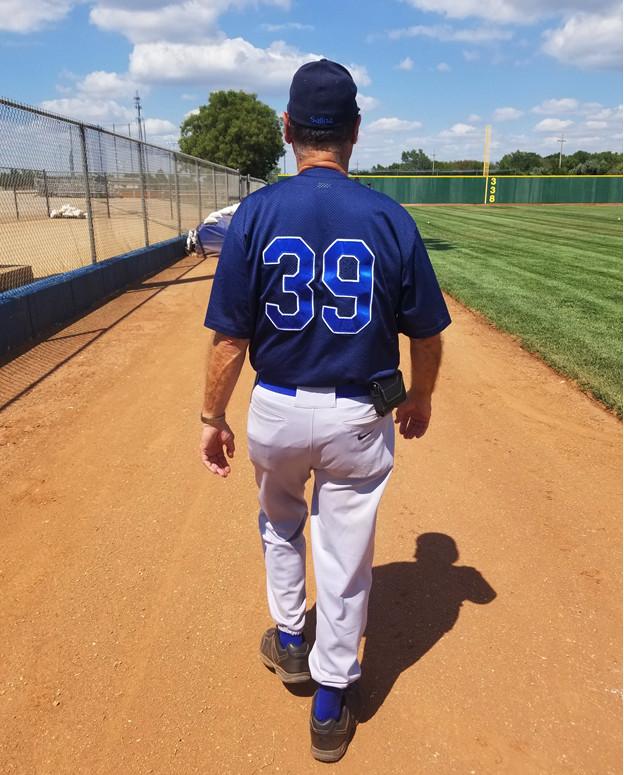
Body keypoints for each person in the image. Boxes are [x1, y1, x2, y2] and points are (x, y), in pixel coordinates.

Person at [199, 58, 451, 763]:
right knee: (344, 554)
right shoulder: (389, 218)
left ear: (287, 128)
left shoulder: (255, 214)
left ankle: (289, 638)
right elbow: (427, 333)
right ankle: (331, 700)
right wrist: (421, 395)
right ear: (356, 130)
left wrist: (211, 417)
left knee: (280, 521)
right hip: (357, 419)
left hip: (276, 410)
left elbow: (230, 340)